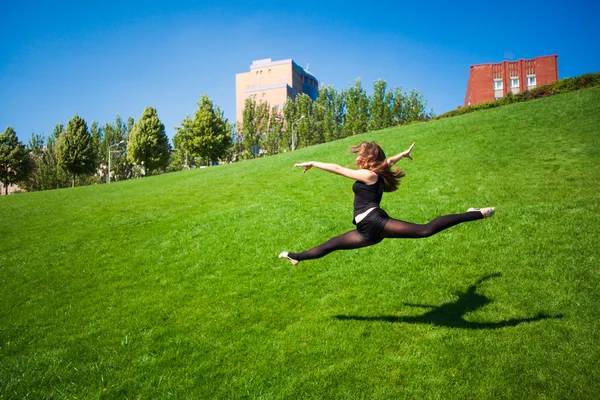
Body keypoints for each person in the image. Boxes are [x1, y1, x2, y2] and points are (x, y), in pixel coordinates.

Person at [279, 141, 494, 266]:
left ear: (367, 158)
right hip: (366, 231)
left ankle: (475, 213)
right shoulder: (377, 173)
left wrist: (314, 162)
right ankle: (295, 257)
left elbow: (337, 168)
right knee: (331, 245)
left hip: (375, 221)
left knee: (425, 230)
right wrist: (402, 154)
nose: (356, 159)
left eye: (360, 156)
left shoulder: (369, 175)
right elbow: (387, 162)